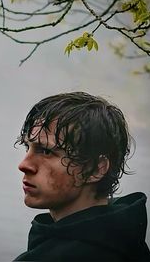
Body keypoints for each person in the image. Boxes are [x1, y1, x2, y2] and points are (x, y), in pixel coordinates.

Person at [14, 92, 150, 261]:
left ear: (95, 169)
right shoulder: (125, 240)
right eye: (28, 147)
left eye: (47, 151)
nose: (24, 165)